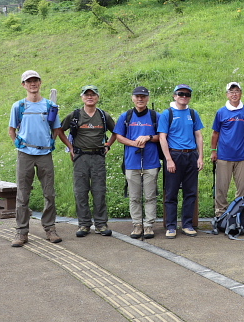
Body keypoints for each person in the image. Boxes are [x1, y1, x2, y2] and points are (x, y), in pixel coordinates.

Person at [9, 70, 71, 247]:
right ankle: (21, 233)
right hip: (25, 155)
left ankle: (50, 229)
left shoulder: (49, 105)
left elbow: (57, 129)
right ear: (23, 85)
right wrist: (19, 146)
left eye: (35, 81)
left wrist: (51, 142)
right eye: (29, 81)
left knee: (49, 194)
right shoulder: (18, 106)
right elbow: (12, 130)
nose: (33, 84)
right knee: (22, 194)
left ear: (40, 83)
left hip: (45, 155)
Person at [61, 85, 116, 237]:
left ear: (98, 97)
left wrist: (108, 145)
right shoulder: (75, 115)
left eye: (93, 94)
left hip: (98, 157)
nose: (90, 97)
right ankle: (84, 225)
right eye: (87, 95)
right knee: (81, 191)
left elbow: (116, 132)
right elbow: (59, 130)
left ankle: (101, 224)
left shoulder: (103, 116)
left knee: (99, 191)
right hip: (80, 158)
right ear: (82, 97)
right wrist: (70, 147)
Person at [113, 86, 161, 239]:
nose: (140, 99)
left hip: (151, 162)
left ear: (148, 98)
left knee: (150, 196)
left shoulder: (155, 116)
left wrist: (148, 137)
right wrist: (134, 143)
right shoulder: (125, 116)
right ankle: (137, 224)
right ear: (132, 98)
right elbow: (118, 136)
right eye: (137, 96)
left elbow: (162, 136)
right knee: (134, 196)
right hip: (132, 162)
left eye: (143, 96)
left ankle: (148, 225)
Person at [158, 84, 204, 239]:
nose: (184, 96)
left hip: (191, 155)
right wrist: (169, 159)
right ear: (174, 95)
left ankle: (187, 224)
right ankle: (171, 226)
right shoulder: (167, 114)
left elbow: (198, 135)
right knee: (171, 193)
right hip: (175, 156)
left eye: (187, 94)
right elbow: (162, 137)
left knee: (190, 192)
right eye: (181, 94)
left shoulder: (193, 113)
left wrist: (201, 157)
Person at [211, 82, 244, 218]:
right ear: (227, 94)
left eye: (237, 91)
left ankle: (239, 214)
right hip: (224, 156)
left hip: (242, 156)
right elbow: (215, 133)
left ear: (241, 93)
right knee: (221, 188)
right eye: (231, 92)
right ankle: (220, 214)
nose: (234, 94)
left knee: (243, 189)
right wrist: (213, 150)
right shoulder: (221, 112)